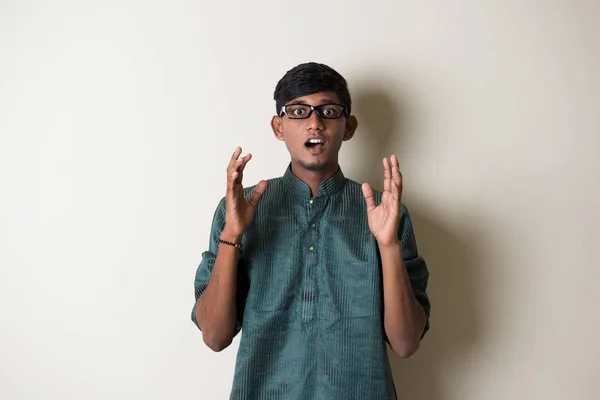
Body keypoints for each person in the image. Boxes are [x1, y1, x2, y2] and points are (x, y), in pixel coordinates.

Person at [191, 62, 431, 399]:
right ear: (278, 126)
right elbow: (215, 337)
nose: (314, 123)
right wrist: (233, 233)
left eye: (329, 111)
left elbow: (406, 344)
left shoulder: (385, 213)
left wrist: (388, 245)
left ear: (348, 126)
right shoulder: (241, 209)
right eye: (299, 111)